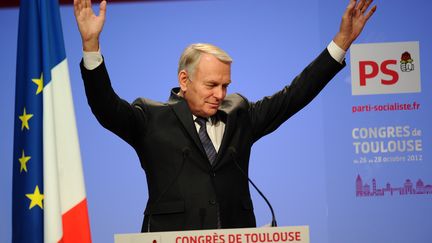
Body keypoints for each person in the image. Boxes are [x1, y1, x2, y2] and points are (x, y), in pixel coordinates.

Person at [74, 0, 376, 232]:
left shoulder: (239, 113)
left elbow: (293, 96)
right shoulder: (150, 118)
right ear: (184, 79)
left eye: (225, 85)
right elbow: (106, 109)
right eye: (211, 85)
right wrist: (91, 47)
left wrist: (341, 42)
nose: (220, 94)